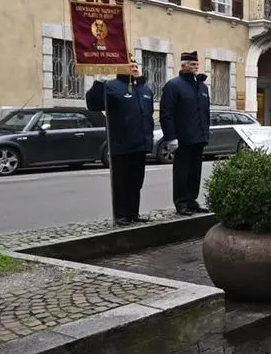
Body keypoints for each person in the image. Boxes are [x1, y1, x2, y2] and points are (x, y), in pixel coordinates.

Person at [85, 62, 154, 226]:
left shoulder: (145, 89)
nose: (135, 68)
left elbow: (147, 116)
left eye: (137, 65)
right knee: (121, 182)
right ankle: (121, 215)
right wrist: (99, 83)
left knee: (136, 182)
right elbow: (93, 104)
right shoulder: (113, 87)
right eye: (131, 65)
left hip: (140, 144)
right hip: (121, 144)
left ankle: (133, 213)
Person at [160, 51, 210, 216]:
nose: (196, 67)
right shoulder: (174, 85)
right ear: (183, 65)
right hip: (182, 138)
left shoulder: (202, 87)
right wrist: (171, 138)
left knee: (195, 172)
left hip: (198, 136)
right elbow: (166, 114)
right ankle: (181, 202)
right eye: (192, 64)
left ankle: (191, 200)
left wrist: (205, 133)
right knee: (181, 171)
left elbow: (205, 112)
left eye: (197, 64)